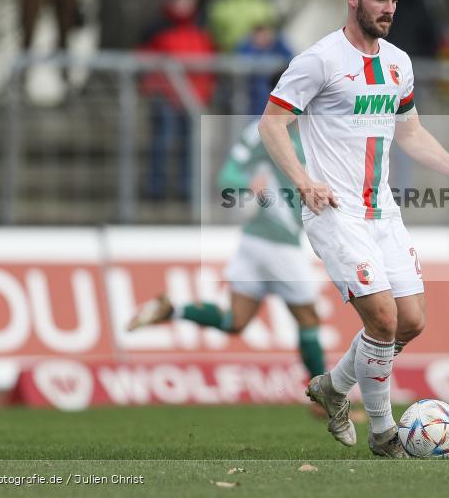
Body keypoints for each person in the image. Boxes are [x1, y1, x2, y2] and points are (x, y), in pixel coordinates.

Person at [258, 0, 449, 457]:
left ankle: (334, 387)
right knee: (382, 319)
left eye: (395, 1)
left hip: (382, 213)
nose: (389, 9)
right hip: (335, 213)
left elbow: (410, 132)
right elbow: (271, 124)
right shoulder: (319, 60)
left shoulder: (399, 63)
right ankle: (384, 433)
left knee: (411, 320)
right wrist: (304, 182)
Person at [127, 119, 329, 417]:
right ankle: (326, 403)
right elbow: (227, 177)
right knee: (308, 319)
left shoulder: (283, 132)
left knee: (236, 321)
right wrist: (248, 184)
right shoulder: (273, 132)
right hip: (278, 242)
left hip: (253, 241)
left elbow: (231, 173)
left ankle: (173, 310)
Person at [138, 0, 216, 201]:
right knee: (162, 142)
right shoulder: (157, 32)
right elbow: (146, 63)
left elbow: (208, 69)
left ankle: (187, 188)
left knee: (189, 146)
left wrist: (204, 95)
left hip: (193, 99)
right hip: (166, 98)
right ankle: (156, 188)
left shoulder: (201, 35)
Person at [236, 24, 293, 117]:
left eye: (265, 36)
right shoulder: (248, 49)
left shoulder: (276, 46)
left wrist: (278, 42)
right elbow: (241, 60)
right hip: (253, 98)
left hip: (274, 96)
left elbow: (290, 58)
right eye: (259, 36)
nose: (263, 39)